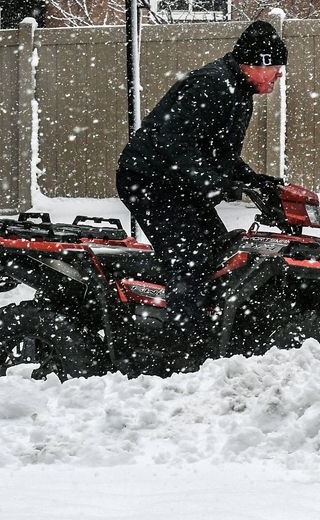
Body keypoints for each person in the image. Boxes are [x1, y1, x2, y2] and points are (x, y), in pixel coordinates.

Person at [116, 20, 287, 372]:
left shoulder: (238, 91)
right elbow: (172, 140)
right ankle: (183, 353)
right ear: (257, 62)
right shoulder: (211, 83)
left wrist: (254, 182)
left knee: (219, 252)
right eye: (276, 68)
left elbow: (220, 154)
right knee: (190, 260)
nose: (279, 76)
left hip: (178, 182)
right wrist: (210, 182)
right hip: (150, 179)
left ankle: (203, 331)